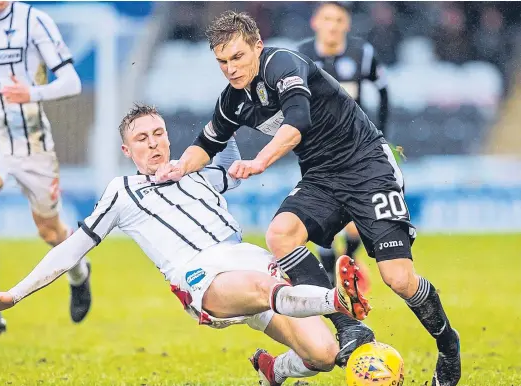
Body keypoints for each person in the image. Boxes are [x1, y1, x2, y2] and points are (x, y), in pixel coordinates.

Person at [157, 10, 461, 386]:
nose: (230, 69)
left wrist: (259, 162)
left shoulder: (282, 63)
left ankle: (448, 345)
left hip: (367, 166)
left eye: (237, 57)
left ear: (257, 46)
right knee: (280, 234)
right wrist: (179, 168)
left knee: (398, 279)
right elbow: (206, 143)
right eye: (221, 61)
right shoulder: (232, 100)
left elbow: (297, 121)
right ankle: (350, 327)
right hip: (321, 177)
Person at [0, 104, 366, 386]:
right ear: (127, 151)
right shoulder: (122, 192)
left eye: (158, 133)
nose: (153, 143)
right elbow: (71, 249)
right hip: (201, 276)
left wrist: (228, 107)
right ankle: (339, 301)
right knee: (269, 288)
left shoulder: (198, 173)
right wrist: (16, 294)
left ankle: (273, 371)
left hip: (250, 261)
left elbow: (226, 145)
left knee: (324, 355)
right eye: (141, 139)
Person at [0, 1, 91, 340]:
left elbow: (71, 82)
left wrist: (31, 93)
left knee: (50, 231)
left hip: (31, 142)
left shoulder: (35, 21)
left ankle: (79, 274)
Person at [297, 2, 391, 289]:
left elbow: (384, 90)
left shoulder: (362, 54)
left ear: (347, 25)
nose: (333, 25)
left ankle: (344, 263)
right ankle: (329, 272)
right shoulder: (301, 55)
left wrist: (381, 134)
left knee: (356, 217)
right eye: (327, 19)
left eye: (339, 19)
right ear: (315, 22)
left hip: (356, 148)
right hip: (316, 149)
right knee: (319, 210)